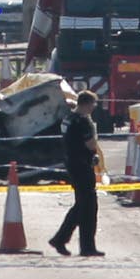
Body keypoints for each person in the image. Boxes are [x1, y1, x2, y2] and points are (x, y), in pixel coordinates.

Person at [50, 90, 105, 257]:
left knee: (81, 205)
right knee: (89, 207)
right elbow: (90, 144)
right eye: (93, 104)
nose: (94, 107)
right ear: (87, 104)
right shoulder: (83, 121)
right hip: (83, 165)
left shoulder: (68, 118)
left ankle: (60, 239)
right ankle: (87, 247)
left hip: (71, 164)